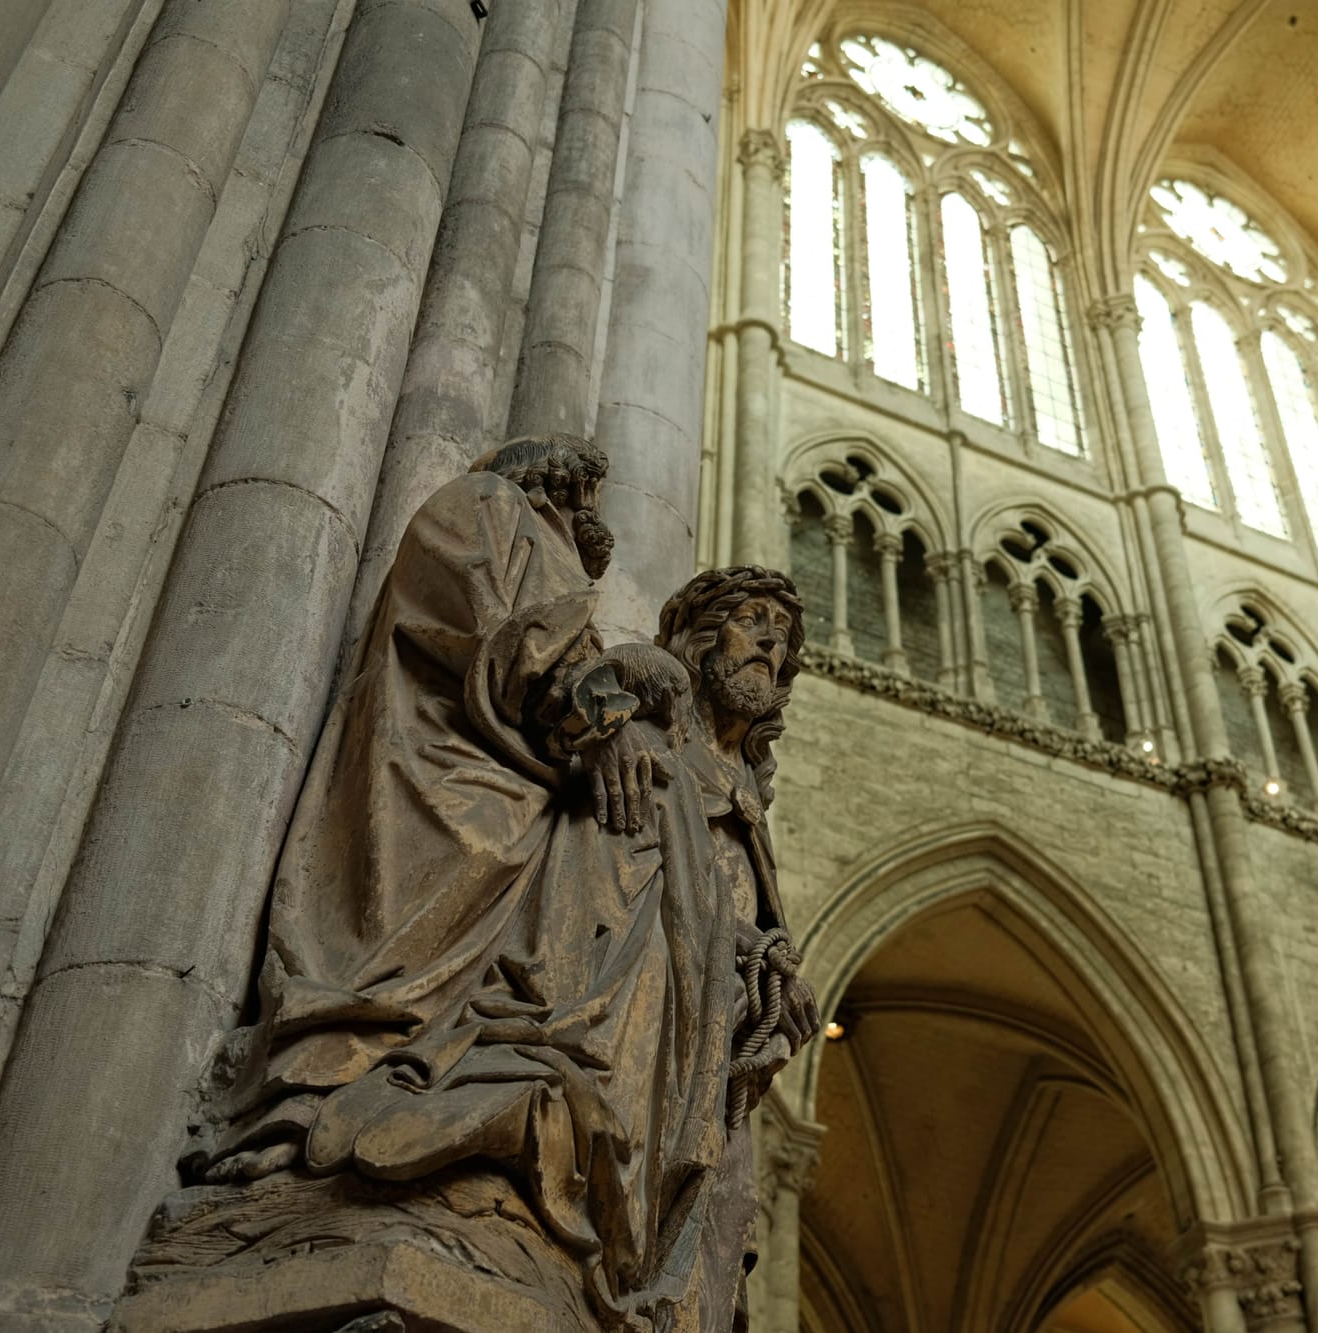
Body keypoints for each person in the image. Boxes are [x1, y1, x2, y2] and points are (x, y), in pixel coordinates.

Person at [130, 436, 815, 1333]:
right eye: (753, 618)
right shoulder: (495, 521)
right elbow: (522, 670)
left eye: (783, 639)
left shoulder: (742, 793)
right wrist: (608, 700)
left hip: (678, 1065)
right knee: (549, 1027)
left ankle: (576, 1193)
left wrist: (767, 978)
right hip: (561, 942)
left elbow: (720, 921)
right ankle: (481, 1122)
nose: (770, 642)